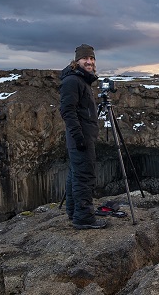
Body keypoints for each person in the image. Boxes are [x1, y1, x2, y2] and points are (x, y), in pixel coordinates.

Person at [59, 44, 107, 229]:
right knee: (84, 177)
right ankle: (84, 219)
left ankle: (74, 212)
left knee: (75, 174)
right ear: (77, 61)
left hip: (81, 136)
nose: (89, 61)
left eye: (92, 59)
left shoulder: (81, 80)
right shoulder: (73, 81)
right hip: (80, 137)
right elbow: (67, 110)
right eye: (85, 58)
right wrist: (79, 136)